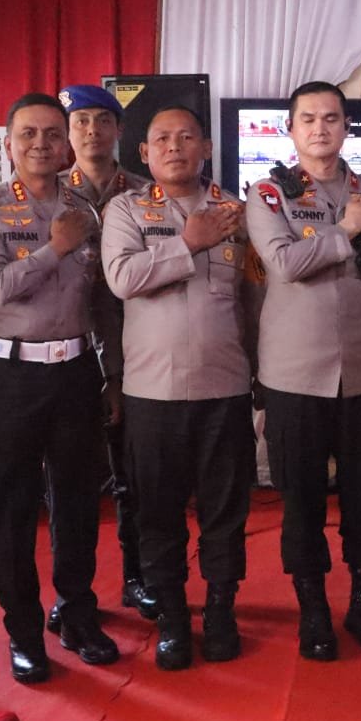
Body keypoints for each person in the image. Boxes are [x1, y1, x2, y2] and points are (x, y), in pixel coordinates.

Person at [0, 92, 120, 684]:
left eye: (53, 134)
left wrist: (113, 374)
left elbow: (100, 299)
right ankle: (23, 632)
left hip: (77, 370)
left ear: (68, 144)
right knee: (14, 508)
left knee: (78, 503)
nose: (42, 144)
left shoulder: (85, 210)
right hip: (13, 376)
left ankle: (76, 614)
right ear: (9, 144)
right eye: (28, 134)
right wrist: (57, 247)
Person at [244, 81, 361, 662]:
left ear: (346, 125)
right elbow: (284, 263)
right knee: (302, 501)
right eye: (307, 118)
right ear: (290, 129)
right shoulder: (268, 195)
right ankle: (312, 609)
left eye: (331, 117)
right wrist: (347, 229)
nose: (319, 128)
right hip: (294, 375)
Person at [102, 105, 255, 669]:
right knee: (158, 513)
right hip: (153, 393)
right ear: (144, 153)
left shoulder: (236, 212)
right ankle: (170, 616)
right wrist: (187, 243)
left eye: (186, 136)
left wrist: (260, 375)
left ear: (206, 148)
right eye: (162, 139)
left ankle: (220, 609)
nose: (174, 147)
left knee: (225, 512)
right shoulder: (124, 209)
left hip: (225, 387)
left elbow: (253, 301)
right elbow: (122, 278)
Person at [46, 84, 158, 632]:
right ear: (68, 133)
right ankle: (74, 594)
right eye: (81, 121)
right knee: (69, 483)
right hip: (65, 351)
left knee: (135, 475)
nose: (92, 131)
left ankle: (140, 577)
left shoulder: (146, 193)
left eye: (103, 121)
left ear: (119, 131)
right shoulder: (48, 195)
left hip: (134, 349)